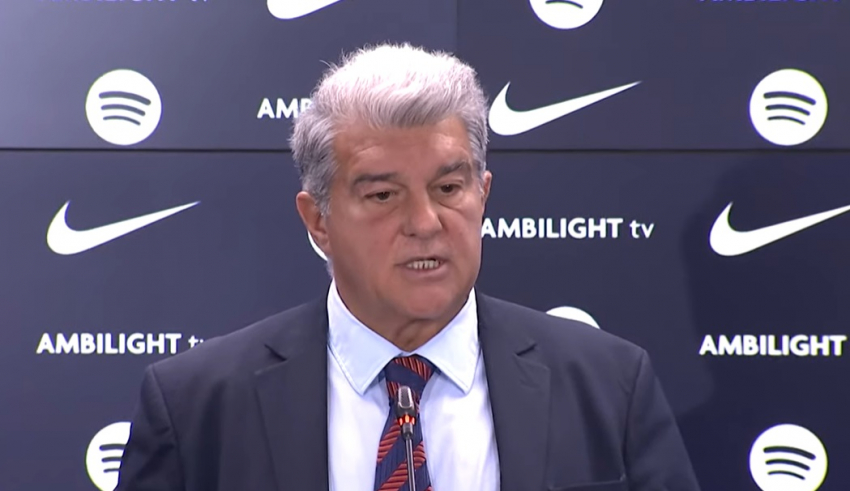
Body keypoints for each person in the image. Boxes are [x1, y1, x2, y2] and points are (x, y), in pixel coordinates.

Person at [116, 43, 701, 491]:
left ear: (482, 194)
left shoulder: (609, 386)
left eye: (448, 188)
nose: (425, 222)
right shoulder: (197, 407)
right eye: (383, 195)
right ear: (318, 220)